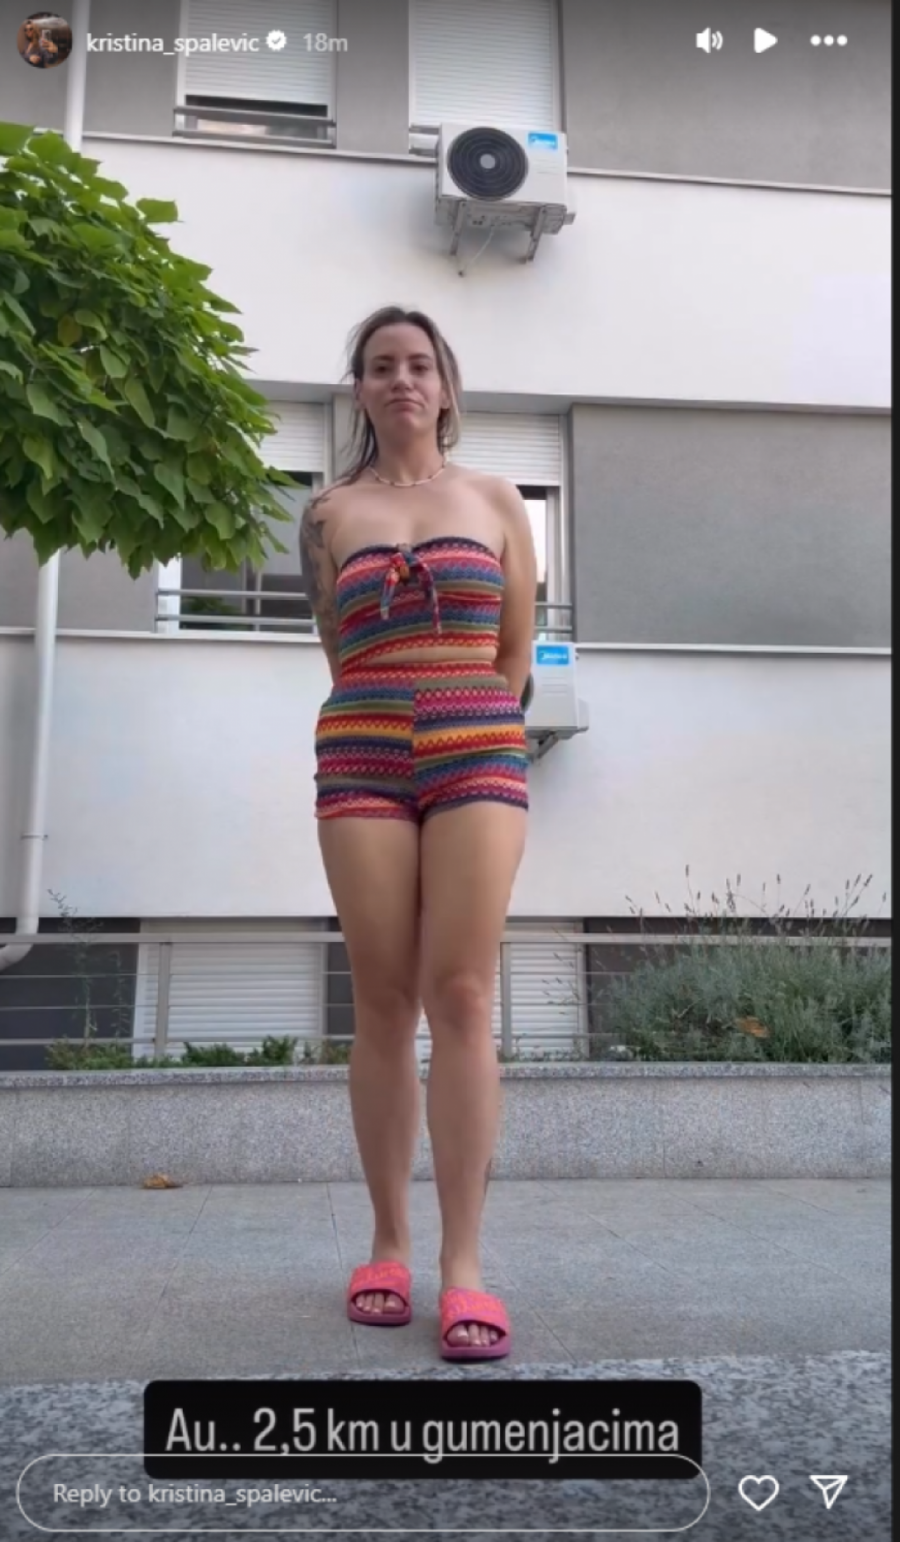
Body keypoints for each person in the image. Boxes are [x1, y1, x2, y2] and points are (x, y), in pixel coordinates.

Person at [299, 305, 536, 1361]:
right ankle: (388, 1246)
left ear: (445, 385)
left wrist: (470, 720)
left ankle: (465, 1266)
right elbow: (337, 646)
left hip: (475, 739)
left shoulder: (496, 499)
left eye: (419, 364)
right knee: (384, 999)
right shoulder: (327, 513)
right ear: (359, 389)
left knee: (464, 993)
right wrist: (391, 708)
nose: (401, 379)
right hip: (361, 744)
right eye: (381, 365)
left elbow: (516, 650)